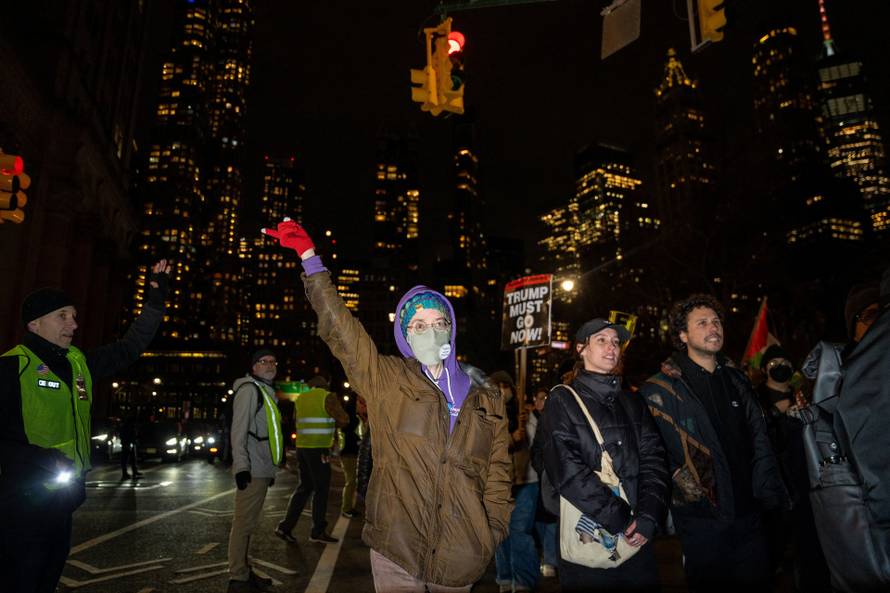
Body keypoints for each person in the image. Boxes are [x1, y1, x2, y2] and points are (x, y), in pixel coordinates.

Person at [263, 218, 512, 592]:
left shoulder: (487, 397)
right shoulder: (387, 380)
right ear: (405, 335)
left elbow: (499, 475)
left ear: (452, 328)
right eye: (419, 324)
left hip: (462, 556)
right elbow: (342, 332)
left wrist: (489, 533)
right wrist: (311, 260)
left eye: (438, 321)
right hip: (398, 550)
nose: (431, 330)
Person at [0, 260, 170, 593]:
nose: (73, 324)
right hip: (20, 501)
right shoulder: (11, 368)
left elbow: (129, 348)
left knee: (46, 578)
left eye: (74, 315)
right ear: (35, 323)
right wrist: (39, 459)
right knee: (20, 579)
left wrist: (155, 302)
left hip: (62, 499)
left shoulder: (78, 363)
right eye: (62, 315)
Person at [640, 294, 786, 592]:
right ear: (683, 335)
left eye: (717, 322)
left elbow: (758, 438)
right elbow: (655, 455)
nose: (714, 328)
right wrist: (691, 493)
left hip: (750, 513)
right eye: (703, 323)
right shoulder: (659, 390)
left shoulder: (737, 379)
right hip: (703, 520)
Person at [539, 318, 668, 592]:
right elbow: (567, 470)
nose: (611, 347)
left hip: (638, 540)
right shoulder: (562, 400)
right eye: (601, 340)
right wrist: (622, 518)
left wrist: (648, 516)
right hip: (589, 537)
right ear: (581, 349)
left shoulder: (633, 401)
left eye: (616, 342)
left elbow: (654, 459)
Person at [227, 349, 285, 593]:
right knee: (243, 524)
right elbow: (238, 430)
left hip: (261, 468)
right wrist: (242, 467)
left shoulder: (265, 391)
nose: (270, 365)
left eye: (273, 361)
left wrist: (269, 469)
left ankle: (244, 571)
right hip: (251, 468)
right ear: (254, 367)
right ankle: (238, 578)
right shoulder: (250, 390)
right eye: (264, 361)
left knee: (248, 524)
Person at [274, 374, 348, 544]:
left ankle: (285, 527)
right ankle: (318, 531)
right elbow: (343, 419)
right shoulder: (327, 397)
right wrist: (333, 422)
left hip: (302, 448)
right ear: (325, 385)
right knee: (321, 489)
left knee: (305, 487)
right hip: (319, 448)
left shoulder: (301, 399)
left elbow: (296, 420)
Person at [490, 371, 538, 593]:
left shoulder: (525, 414)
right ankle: (504, 578)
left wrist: (527, 426)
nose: (501, 390)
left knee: (519, 532)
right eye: (496, 386)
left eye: (505, 385)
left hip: (525, 480)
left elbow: (538, 443)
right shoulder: (485, 413)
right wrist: (511, 438)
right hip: (498, 483)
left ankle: (523, 582)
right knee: (501, 533)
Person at [530, 387, 558, 579]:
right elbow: (535, 449)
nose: (544, 401)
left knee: (549, 519)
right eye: (541, 397)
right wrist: (541, 469)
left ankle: (549, 560)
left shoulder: (553, 418)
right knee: (538, 521)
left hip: (549, 478)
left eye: (546, 397)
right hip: (533, 479)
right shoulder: (529, 420)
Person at [119, 411, 142, 480]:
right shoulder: (128, 427)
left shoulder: (127, 426)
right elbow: (129, 435)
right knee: (127, 458)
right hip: (127, 443)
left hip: (128, 443)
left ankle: (132, 472)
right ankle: (126, 473)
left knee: (131, 458)